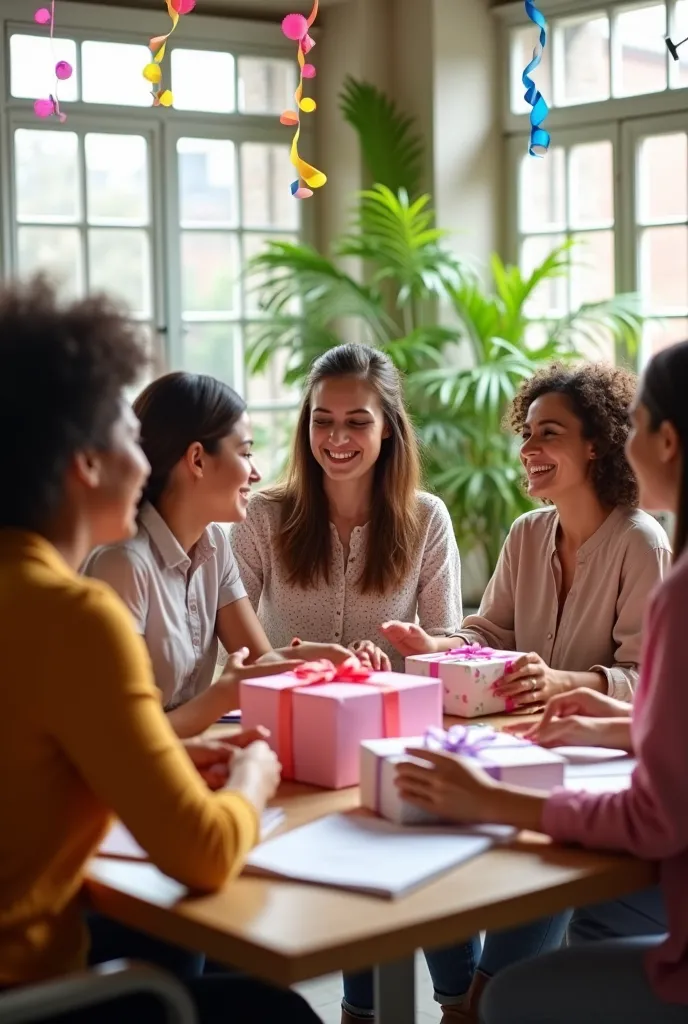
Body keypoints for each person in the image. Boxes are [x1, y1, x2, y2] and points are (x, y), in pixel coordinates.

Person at [0, 277, 322, 1024]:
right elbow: (206, 853)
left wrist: (168, 760)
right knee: (284, 1013)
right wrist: (250, 773)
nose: (144, 462)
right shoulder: (75, 613)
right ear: (84, 462)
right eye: (126, 437)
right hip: (36, 997)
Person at [394, 339, 688, 1024]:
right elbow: (488, 633)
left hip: (579, 788)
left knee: (506, 984)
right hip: (535, 749)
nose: (528, 447)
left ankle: (468, 998)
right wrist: (435, 644)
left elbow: (648, 685)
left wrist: (568, 689)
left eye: (548, 433)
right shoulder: (528, 532)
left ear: (608, 445)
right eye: (526, 433)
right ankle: (459, 994)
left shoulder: (646, 548)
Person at [229, 343, 464, 1022]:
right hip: (288, 746)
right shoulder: (261, 517)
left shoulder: (427, 518)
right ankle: (380, 1008)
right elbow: (232, 649)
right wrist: (291, 662)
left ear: (388, 426)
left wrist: (395, 658)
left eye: (356, 421)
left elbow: (447, 645)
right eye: (322, 420)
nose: (337, 439)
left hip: (387, 739)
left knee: (415, 842)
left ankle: (455, 1001)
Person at [84, 371, 355, 738]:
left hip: (187, 753)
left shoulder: (214, 542)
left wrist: (321, 658)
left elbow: (260, 662)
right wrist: (225, 694)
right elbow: (119, 736)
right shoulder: (122, 565)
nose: (256, 473)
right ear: (197, 459)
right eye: (245, 453)